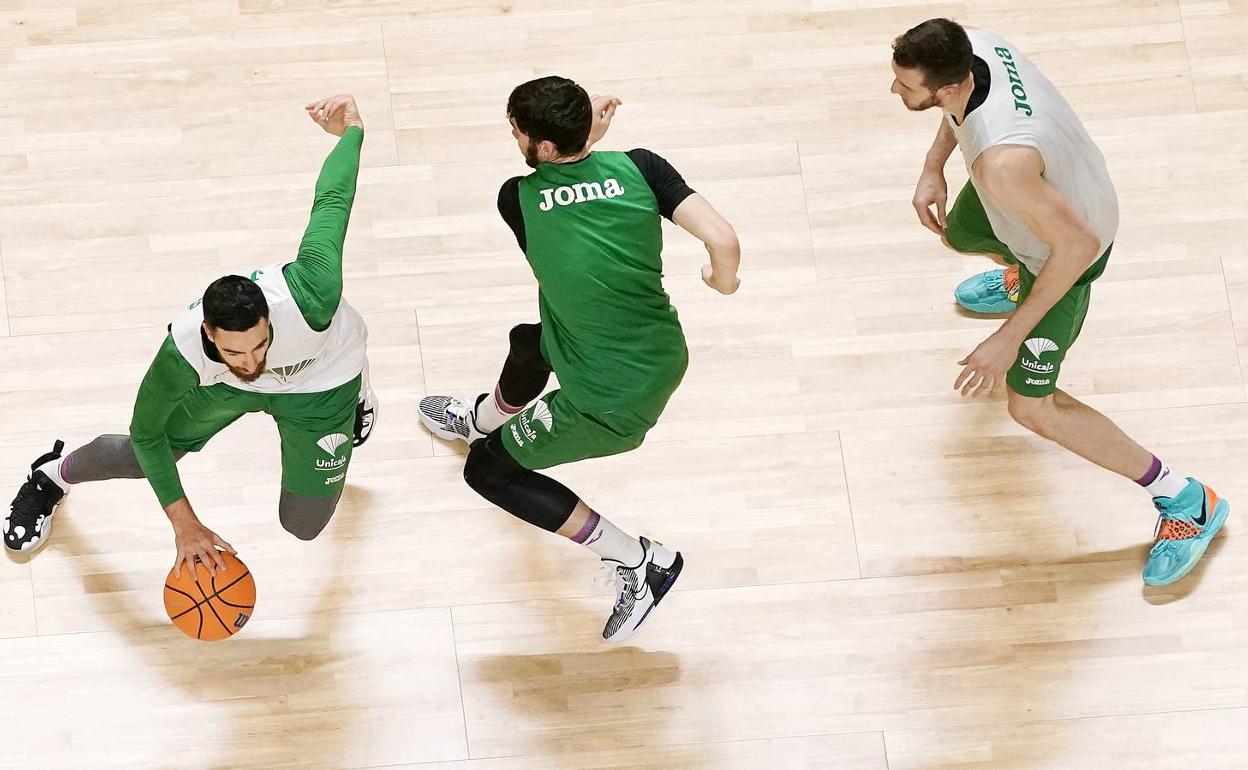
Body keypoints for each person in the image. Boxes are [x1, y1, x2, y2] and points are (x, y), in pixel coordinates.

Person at [890, 19, 1229, 586]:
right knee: (961, 233)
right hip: (1050, 196)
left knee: (1030, 407)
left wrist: (1008, 338)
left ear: (945, 86)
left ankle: (1186, 500)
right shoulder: (975, 45)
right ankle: (1022, 280)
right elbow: (957, 117)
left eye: (904, 85)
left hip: (1067, 256)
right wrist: (932, 168)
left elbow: (1076, 248)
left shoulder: (1003, 166)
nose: (895, 91)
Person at [419, 76, 742, 641]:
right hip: (655, 349)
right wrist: (722, 281)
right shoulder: (643, 167)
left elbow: (559, 194)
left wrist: (573, 141)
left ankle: (641, 563)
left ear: (542, 148)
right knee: (528, 341)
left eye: (518, 132)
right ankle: (480, 421)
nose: (514, 138)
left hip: (610, 396)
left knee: (489, 471)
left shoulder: (515, 198)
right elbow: (724, 240)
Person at [5, 94, 379, 578]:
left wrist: (352, 131)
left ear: (270, 319)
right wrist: (184, 523)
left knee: (303, 524)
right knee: (146, 454)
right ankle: (49, 477)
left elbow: (333, 198)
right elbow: (146, 433)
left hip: (322, 383)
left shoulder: (313, 292)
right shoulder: (182, 352)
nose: (250, 361)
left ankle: (360, 391)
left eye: (260, 344)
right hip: (218, 389)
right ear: (208, 333)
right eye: (233, 351)